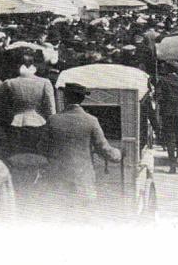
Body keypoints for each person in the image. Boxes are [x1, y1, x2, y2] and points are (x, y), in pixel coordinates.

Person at [44, 83, 121, 219]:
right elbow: (105, 150)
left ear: (66, 98)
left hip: (57, 180)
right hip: (82, 181)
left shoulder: (53, 120)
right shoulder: (91, 121)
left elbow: (42, 147)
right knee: (82, 219)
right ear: (82, 99)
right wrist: (118, 154)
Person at [2, 52, 56, 156]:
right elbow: (50, 107)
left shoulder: (9, 83)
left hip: (16, 122)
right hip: (38, 122)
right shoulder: (45, 82)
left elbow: (3, 106)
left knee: (17, 155)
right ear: (34, 65)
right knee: (36, 154)